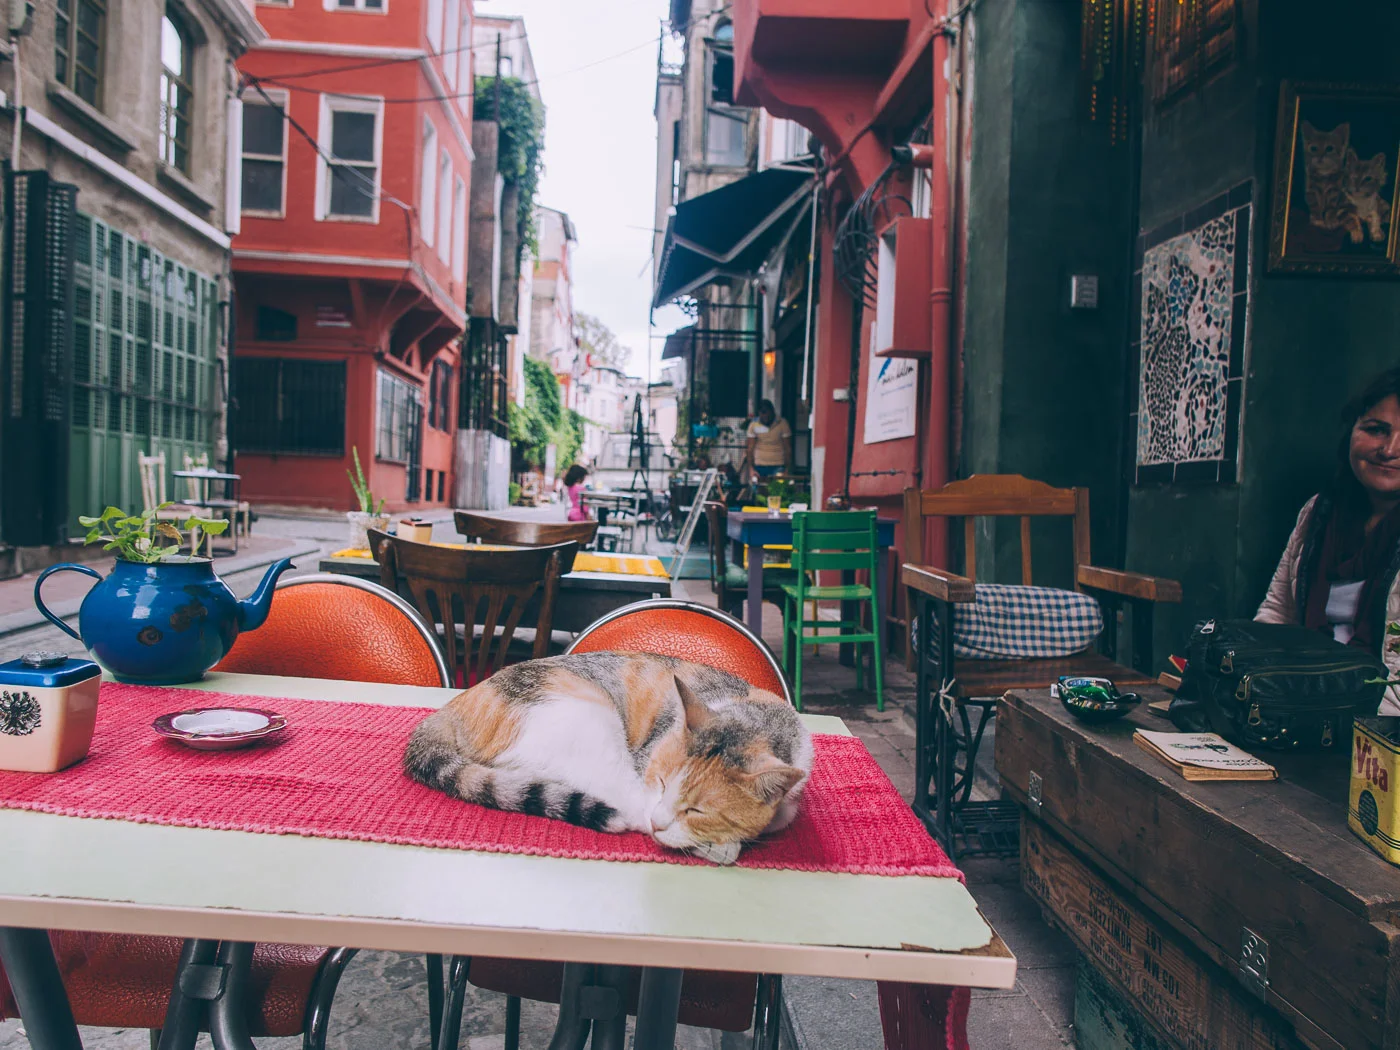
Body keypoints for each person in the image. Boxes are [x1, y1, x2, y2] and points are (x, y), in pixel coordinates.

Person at [1257, 368, 1400, 713]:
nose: (1390, 449)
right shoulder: (1318, 513)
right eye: (1376, 429)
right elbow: (1276, 616)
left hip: (1379, 723)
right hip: (1299, 702)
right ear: (1351, 430)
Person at [746, 400, 791, 481]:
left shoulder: (782, 423)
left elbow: (788, 448)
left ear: (772, 412)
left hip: (778, 465)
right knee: (758, 488)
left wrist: (787, 469)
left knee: (778, 487)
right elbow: (750, 449)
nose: (765, 417)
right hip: (759, 465)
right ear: (759, 413)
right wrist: (751, 469)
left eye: (767, 413)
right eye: (762, 413)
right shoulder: (753, 425)